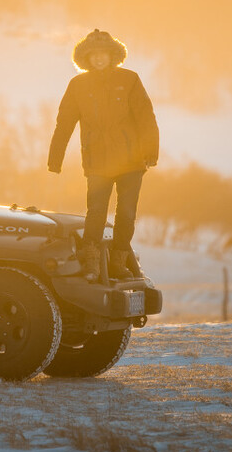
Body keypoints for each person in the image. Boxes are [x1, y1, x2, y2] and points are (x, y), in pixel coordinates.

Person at [48, 29, 159, 281]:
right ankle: (92, 263)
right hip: (96, 161)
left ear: (113, 56)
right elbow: (64, 122)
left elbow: (146, 117)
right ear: (85, 59)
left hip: (131, 160)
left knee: (126, 214)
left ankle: (119, 261)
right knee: (96, 212)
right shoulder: (77, 85)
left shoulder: (129, 79)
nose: (99, 59)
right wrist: (55, 158)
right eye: (93, 55)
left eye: (104, 54)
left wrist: (150, 151)